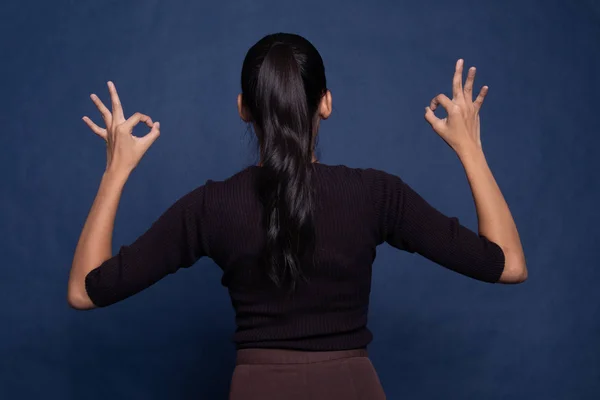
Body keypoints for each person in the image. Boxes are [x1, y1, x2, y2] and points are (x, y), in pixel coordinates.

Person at [67, 33, 527, 400]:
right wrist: (470, 149)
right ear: (325, 102)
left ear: (244, 109)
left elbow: (85, 291)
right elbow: (508, 264)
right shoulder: (375, 194)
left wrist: (116, 169)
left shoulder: (212, 206)